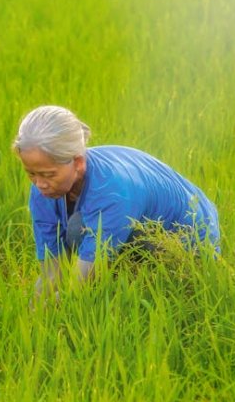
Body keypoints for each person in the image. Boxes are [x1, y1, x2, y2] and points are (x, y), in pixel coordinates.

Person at [13, 105, 220, 302]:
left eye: (48, 174)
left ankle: (141, 285)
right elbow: (52, 266)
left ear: (78, 163)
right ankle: (124, 281)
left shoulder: (112, 189)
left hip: (190, 245)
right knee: (80, 231)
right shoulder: (43, 189)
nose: (40, 184)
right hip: (138, 230)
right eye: (31, 173)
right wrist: (34, 302)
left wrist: (55, 305)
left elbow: (79, 285)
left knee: (79, 231)